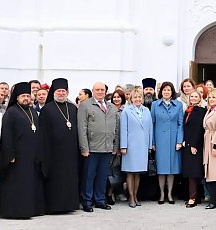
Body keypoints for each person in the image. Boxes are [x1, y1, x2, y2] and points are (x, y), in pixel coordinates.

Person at [0, 82, 44, 219]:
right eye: (23, 96)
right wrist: (10, 154)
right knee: (17, 184)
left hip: (31, 156)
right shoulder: (11, 113)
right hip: (17, 157)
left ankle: (30, 210)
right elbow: (6, 135)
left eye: (28, 96)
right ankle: (15, 211)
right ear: (17, 98)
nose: (26, 98)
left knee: (29, 183)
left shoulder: (32, 111)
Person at [38, 78, 80, 214]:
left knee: (69, 178)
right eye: (58, 91)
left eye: (63, 91)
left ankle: (70, 205)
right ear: (53, 92)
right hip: (54, 153)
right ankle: (54, 206)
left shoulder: (73, 108)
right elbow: (43, 134)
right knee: (56, 180)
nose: (61, 93)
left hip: (71, 152)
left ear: (67, 92)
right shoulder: (47, 109)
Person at [78, 82, 119, 212]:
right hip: (92, 148)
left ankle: (100, 200)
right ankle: (87, 201)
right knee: (89, 176)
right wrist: (84, 147)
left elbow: (117, 128)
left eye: (102, 90)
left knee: (102, 176)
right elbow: (82, 128)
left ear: (106, 91)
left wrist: (115, 146)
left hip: (107, 148)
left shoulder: (112, 107)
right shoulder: (86, 106)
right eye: (97, 90)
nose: (100, 92)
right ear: (93, 91)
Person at [151, 81, 183, 204]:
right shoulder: (155, 105)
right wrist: (153, 142)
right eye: (164, 90)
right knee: (161, 169)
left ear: (172, 92)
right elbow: (152, 124)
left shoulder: (178, 105)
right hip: (160, 140)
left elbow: (180, 124)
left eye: (168, 90)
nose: (166, 92)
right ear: (161, 92)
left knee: (172, 169)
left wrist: (179, 141)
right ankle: (161, 194)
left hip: (173, 140)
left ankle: (170, 194)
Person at [120, 89, 153, 208]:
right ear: (131, 99)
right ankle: (131, 197)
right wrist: (123, 146)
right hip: (130, 145)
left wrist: (149, 145)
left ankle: (136, 195)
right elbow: (123, 129)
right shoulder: (126, 111)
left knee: (138, 172)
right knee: (130, 172)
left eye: (139, 97)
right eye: (135, 97)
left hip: (142, 145)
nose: (138, 99)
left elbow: (150, 129)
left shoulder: (146, 110)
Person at [182, 90, 206, 208]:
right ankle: (196, 196)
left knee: (194, 172)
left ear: (200, 98)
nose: (194, 98)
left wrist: (194, 145)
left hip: (194, 145)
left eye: (196, 96)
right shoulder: (188, 111)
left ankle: (193, 198)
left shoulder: (201, 111)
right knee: (191, 171)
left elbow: (198, 129)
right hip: (187, 144)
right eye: (192, 96)